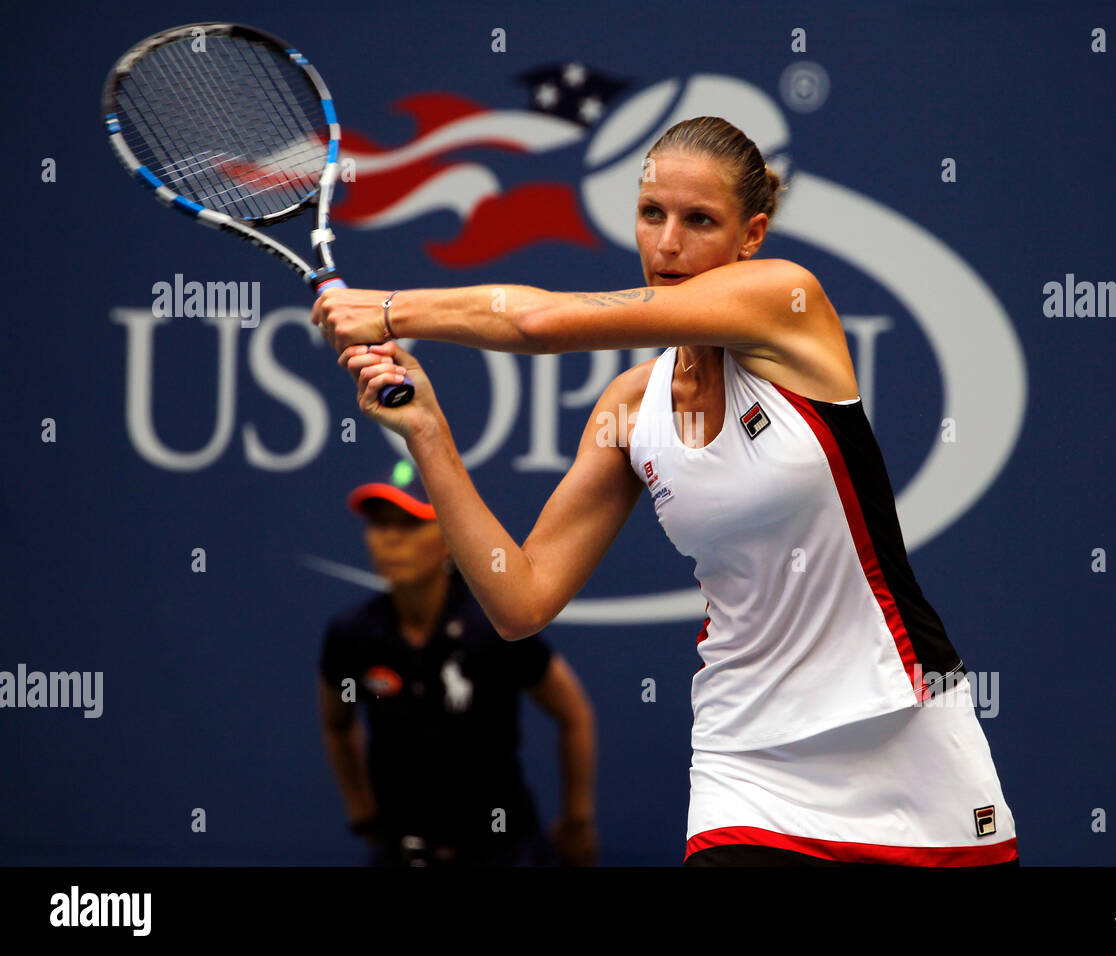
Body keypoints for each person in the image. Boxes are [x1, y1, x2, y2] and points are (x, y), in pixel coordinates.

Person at [312, 115, 1019, 867]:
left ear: (751, 235)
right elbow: (519, 602)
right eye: (652, 214)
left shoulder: (787, 302)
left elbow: (544, 321)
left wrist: (389, 309)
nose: (668, 245)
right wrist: (429, 436)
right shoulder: (628, 410)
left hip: (903, 724)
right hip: (745, 757)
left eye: (699, 221)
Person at [317, 467, 598, 866]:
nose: (392, 539)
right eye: (379, 525)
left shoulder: (495, 624)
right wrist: (361, 810)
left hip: (503, 850)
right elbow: (336, 723)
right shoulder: (352, 635)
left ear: (449, 540)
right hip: (401, 851)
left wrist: (577, 820)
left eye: (411, 524)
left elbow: (574, 713)